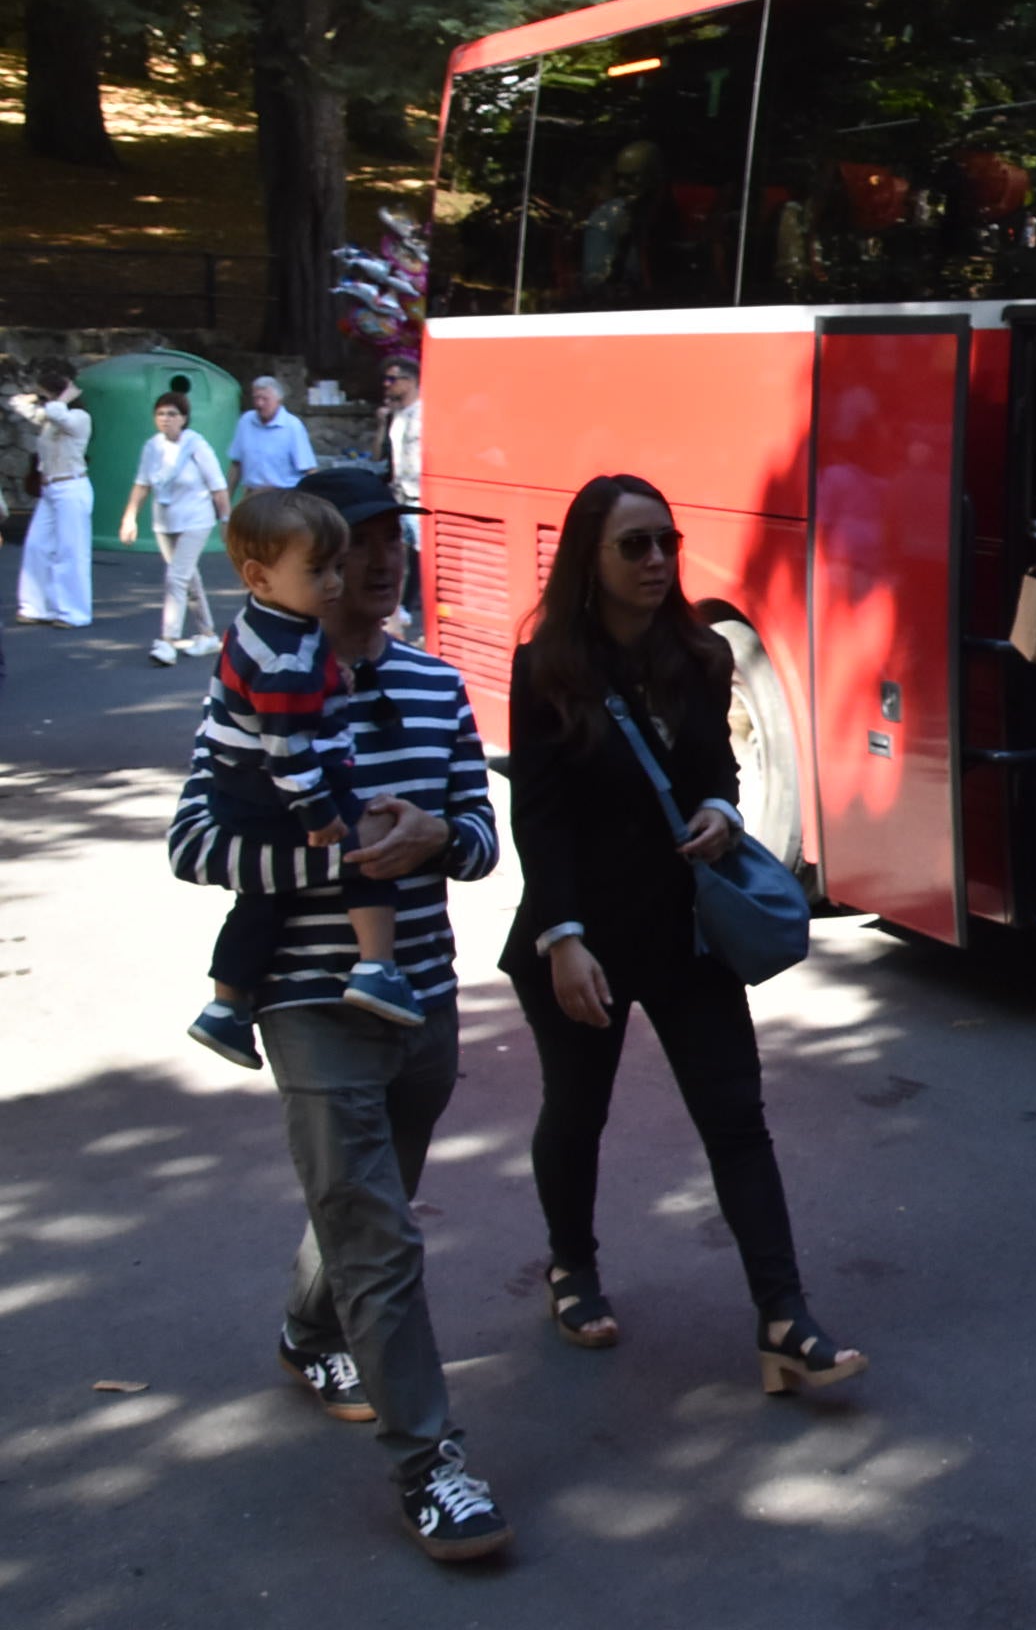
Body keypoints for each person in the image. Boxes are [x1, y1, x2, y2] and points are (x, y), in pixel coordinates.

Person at [164, 464, 512, 1561]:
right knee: (380, 1233)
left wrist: (433, 842)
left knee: (366, 1206)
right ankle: (433, 1464)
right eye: (357, 540)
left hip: (422, 991)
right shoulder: (252, 683)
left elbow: (481, 834)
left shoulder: (437, 685)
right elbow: (191, 845)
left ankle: (307, 1328)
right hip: (310, 999)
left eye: (390, 536)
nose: (382, 556)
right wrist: (322, 852)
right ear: (311, 562)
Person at [504, 472, 868, 1394]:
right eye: (635, 545)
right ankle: (571, 1265)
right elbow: (539, 817)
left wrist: (719, 810)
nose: (659, 560)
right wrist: (563, 937)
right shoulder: (547, 665)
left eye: (666, 540)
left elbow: (719, 775)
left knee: (737, 1120)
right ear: (590, 557)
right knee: (577, 1110)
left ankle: (785, 1320)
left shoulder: (700, 657)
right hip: (582, 933)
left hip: (688, 930)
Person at [184, 489, 418, 1067]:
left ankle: (225, 1006)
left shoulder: (272, 627)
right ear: (260, 577)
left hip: (245, 788)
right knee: (369, 846)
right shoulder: (287, 657)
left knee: (260, 900)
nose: (339, 580)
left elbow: (475, 844)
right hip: (277, 792)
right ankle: (377, 967)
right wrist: (323, 820)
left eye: (338, 565)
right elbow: (286, 750)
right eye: (325, 567)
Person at [120, 390, 231, 663]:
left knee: (176, 578)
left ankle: (168, 641)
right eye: (160, 414)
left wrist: (225, 521)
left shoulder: (197, 446)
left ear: (184, 418)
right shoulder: (152, 446)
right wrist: (130, 516)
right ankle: (207, 634)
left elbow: (219, 489)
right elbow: (142, 484)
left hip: (196, 519)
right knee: (188, 578)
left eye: (172, 414)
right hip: (165, 522)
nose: (165, 419)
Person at [10, 358, 92, 627]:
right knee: (36, 546)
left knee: (71, 550)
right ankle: (36, 607)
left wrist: (66, 395)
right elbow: (18, 405)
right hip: (50, 490)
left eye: (49, 396)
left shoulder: (78, 418)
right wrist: (34, 396)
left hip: (72, 486)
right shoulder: (49, 419)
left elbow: (59, 414)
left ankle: (74, 612)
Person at [378, 354, 423, 639]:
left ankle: (421, 615)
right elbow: (382, 455)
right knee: (400, 557)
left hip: (422, 497)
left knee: (424, 558)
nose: (386, 385)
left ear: (410, 381)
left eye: (392, 379)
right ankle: (401, 612)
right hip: (400, 496)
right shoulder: (397, 416)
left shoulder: (426, 414)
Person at [228, 374, 318, 495]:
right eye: (256, 398)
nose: (259, 404)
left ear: (278, 400)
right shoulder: (246, 421)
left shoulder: (292, 426)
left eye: (265, 399)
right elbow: (236, 464)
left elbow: (309, 469)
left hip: (283, 496)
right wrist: (225, 502)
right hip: (252, 494)